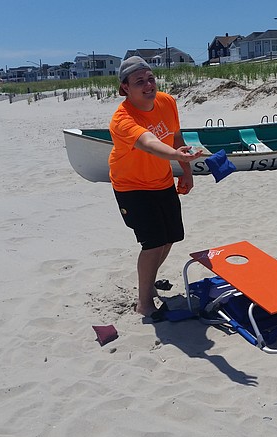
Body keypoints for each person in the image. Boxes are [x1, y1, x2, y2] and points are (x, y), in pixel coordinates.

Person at [108, 56, 203, 319]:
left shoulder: (166, 101)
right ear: (125, 87)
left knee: (171, 236)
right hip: (132, 186)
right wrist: (177, 156)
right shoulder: (122, 119)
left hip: (161, 181)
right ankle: (144, 303)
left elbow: (175, 136)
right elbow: (149, 141)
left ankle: (147, 284)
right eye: (140, 81)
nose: (149, 85)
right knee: (152, 243)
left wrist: (186, 171)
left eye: (151, 78)